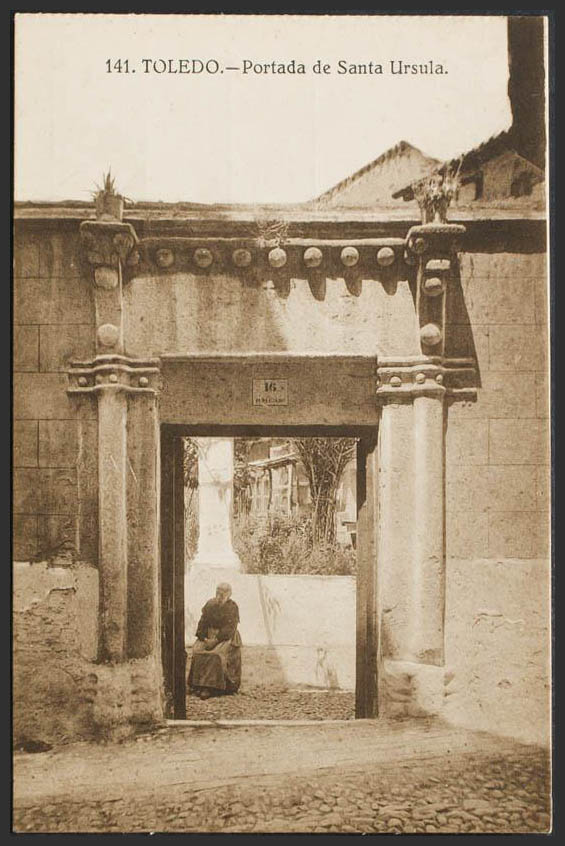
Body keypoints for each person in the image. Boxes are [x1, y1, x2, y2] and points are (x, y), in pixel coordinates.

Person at [188, 582, 242, 699]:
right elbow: (202, 622)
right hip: (208, 636)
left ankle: (212, 687)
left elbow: (230, 628)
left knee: (216, 654)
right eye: (218, 591)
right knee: (198, 650)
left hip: (226, 638)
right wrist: (204, 638)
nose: (220, 595)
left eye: (223, 592)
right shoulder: (210, 604)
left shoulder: (232, 607)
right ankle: (198, 685)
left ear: (229, 594)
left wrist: (216, 640)